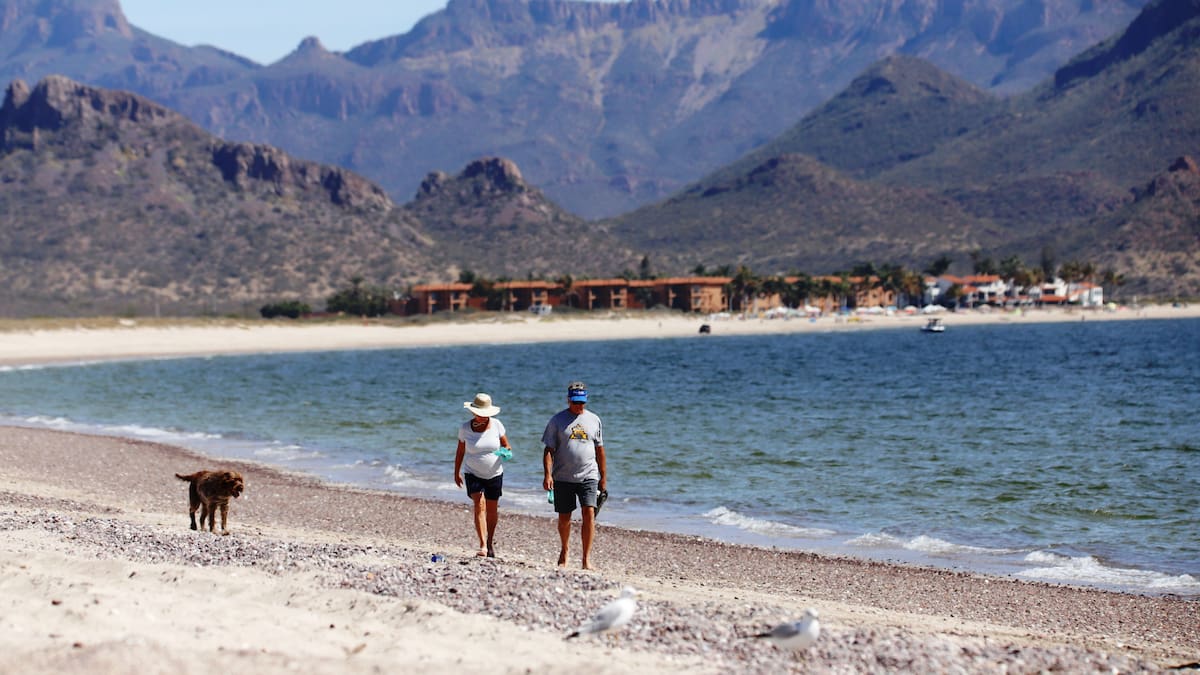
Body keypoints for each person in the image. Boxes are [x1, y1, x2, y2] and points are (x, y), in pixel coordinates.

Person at [542, 380, 606, 570]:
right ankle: (565, 550)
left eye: (582, 402)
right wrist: (548, 475)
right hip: (563, 476)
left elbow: (600, 450)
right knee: (564, 518)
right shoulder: (557, 421)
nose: (579, 405)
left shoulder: (594, 420)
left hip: (589, 474)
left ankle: (586, 559)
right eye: (576, 402)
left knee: (589, 512)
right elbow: (548, 450)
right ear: (568, 400)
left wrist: (603, 476)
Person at [454, 392, 512, 558]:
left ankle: (490, 541)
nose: (482, 416)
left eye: (485, 414)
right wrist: (456, 472)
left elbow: (507, 445)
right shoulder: (465, 428)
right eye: (479, 413)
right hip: (472, 472)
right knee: (479, 504)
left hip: (495, 473)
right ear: (473, 412)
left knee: (492, 510)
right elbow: (460, 451)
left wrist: (506, 452)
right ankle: (482, 545)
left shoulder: (497, 425)